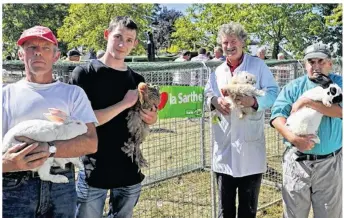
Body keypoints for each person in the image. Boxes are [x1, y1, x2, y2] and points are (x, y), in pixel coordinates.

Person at [2, 25, 98, 218]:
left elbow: (90, 142)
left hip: (61, 183)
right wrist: (6, 163)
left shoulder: (73, 94)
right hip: (14, 185)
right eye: (31, 48)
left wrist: (50, 149)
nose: (38, 52)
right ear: (21, 55)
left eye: (46, 48)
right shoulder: (5, 95)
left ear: (56, 55)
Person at [70, 16, 158, 218]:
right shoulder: (85, 73)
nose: (122, 44)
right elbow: (81, 123)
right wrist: (124, 103)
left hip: (129, 170)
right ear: (106, 35)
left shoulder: (137, 80)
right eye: (118, 36)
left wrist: (150, 118)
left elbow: (141, 120)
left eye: (129, 40)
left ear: (135, 44)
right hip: (94, 171)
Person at [204, 22, 279, 218]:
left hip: (250, 149)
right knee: (224, 209)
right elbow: (207, 94)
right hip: (224, 147)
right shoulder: (217, 71)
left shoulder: (258, 65)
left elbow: (273, 93)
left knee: (248, 209)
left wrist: (254, 101)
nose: (229, 46)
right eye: (225, 42)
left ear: (243, 42)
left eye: (233, 41)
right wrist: (215, 101)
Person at [270, 43, 342, 218]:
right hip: (297, 162)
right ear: (305, 64)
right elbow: (277, 116)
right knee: (294, 214)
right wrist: (294, 138)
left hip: (329, 164)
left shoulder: (338, 84)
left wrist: (307, 102)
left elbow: (340, 111)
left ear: (330, 63)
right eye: (311, 61)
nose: (316, 66)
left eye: (321, 61)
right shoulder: (294, 87)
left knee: (329, 214)